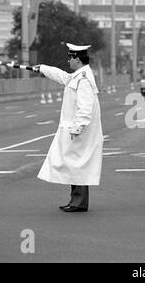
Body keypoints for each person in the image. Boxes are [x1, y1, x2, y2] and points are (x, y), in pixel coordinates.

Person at [33, 43, 103, 213]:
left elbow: (86, 106)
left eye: (70, 57)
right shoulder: (78, 76)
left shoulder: (84, 78)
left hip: (80, 131)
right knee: (74, 165)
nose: (68, 60)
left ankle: (79, 202)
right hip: (76, 130)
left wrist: (78, 127)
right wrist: (42, 68)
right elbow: (62, 76)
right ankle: (75, 201)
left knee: (78, 165)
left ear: (77, 59)